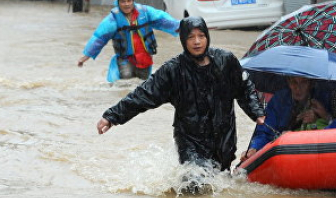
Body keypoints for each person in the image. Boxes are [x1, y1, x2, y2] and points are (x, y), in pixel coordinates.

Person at [96, 16, 265, 173]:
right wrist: (112, 116)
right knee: (194, 181)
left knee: (220, 182)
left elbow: (244, 88)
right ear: (183, 40)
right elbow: (143, 94)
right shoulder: (173, 70)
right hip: (190, 140)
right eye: (191, 37)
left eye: (201, 36)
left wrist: (257, 112)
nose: (197, 42)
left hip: (224, 139)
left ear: (207, 37)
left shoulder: (226, 61)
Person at [78, 0, 179, 83]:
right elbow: (99, 38)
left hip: (145, 59)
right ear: (118, 2)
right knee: (125, 82)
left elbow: (162, 19)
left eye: (129, 0)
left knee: (143, 86)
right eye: (123, 1)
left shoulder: (145, 12)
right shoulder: (113, 20)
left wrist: (179, 27)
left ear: (133, 1)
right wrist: (86, 56)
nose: (126, 4)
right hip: (125, 60)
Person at [239, 76, 332, 162]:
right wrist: (255, 148)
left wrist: (322, 116)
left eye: (303, 82)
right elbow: (265, 131)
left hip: (312, 150)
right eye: (294, 82)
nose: (298, 88)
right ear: (288, 82)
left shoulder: (323, 98)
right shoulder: (279, 100)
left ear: (311, 84)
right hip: (282, 149)